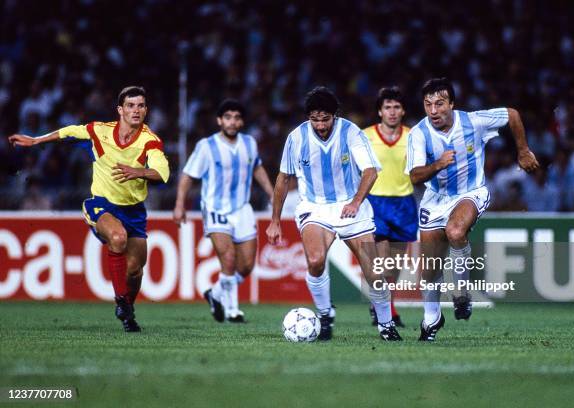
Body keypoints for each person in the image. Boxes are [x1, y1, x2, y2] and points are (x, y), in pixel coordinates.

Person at [9, 86, 170, 332]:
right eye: (130, 105)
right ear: (120, 110)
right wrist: (37, 140)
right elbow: (69, 131)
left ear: (146, 110)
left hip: (134, 211)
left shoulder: (151, 141)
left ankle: (127, 310)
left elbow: (163, 173)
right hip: (101, 205)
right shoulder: (99, 131)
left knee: (135, 270)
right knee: (117, 238)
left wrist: (139, 172)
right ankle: (120, 302)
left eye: (140, 106)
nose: (136, 110)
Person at [406, 78, 539, 341]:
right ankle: (432, 319)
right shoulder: (418, 134)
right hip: (435, 199)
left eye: (440, 104)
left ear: (452, 104)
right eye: (428, 104)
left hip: (471, 192)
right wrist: (438, 165)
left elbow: (511, 114)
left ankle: (461, 292)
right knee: (429, 269)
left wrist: (522, 151)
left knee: (455, 231)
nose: (433, 111)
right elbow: (414, 176)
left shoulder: (474, 121)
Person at [266, 86, 402, 341]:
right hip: (315, 208)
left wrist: (355, 202)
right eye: (314, 119)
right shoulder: (296, 138)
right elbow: (283, 178)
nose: (320, 125)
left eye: (325, 119)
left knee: (374, 272)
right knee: (315, 260)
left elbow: (370, 171)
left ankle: (385, 324)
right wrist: (275, 220)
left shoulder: (351, 132)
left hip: (352, 206)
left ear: (335, 115)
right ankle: (325, 313)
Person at [173, 99, 274, 323]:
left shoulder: (249, 143)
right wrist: (180, 204)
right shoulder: (206, 146)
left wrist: (272, 193)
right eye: (228, 117)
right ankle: (233, 311)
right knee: (228, 259)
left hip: (242, 208)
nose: (232, 122)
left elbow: (257, 168)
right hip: (216, 208)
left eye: (237, 118)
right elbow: (188, 175)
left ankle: (215, 293)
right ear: (219, 120)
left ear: (242, 121)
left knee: (246, 266)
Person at [362, 86, 418, 328]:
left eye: (396, 107)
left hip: (404, 203)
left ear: (403, 110)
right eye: (388, 107)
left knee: (394, 267)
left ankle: (381, 304)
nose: (392, 112)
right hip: (376, 202)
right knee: (383, 260)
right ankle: (388, 312)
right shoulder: (365, 136)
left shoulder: (413, 136)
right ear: (379, 111)